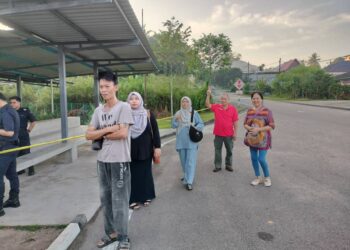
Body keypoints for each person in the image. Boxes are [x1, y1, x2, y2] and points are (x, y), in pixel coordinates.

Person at [86, 71, 134, 250]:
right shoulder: (98, 110)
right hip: (102, 161)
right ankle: (111, 234)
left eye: (107, 86)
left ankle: (123, 237)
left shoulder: (124, 107)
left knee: (120, 200)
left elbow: (122, 133)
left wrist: (101, 132)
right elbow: (88, 134)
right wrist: (109, 130)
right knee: (105, 199)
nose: (103, 90)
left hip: (119, 161)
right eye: (101, 87)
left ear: (116, 87)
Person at [127, 92, 161, 210]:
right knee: (132, 175)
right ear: (128, 101)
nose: (134, 101)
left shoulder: (148, 114)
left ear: (140, 100)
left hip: (146, 150)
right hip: (129, 151)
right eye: (131, 99)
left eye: (137, 98)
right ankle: (132, 199)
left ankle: (146, 196)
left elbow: (155, 131)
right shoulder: (125, 114)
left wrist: (157, 147)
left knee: (146, 174)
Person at [172, 96, 204, 191]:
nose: (184, 103)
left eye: (186, 101)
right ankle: (186, 175)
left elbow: (201, 124)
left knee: (190, 162)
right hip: (181, 141)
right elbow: (173, 125)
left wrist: (194, 127)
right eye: (183, 102)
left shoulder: (194, 113)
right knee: (183, 161)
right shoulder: (178, 113)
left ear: (189, 103)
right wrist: (176, 120)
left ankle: (189, 181)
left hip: (191, 141)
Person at [243, 92, 275, 187]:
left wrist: (259, 129)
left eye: (257, 98)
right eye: (254, 98)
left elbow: (272, 126)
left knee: (261, 159)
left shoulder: (267, 111)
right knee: (253, 158)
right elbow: (245, 124)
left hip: (263, 140)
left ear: (261, 99)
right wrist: (250, 129)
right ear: (252, 99)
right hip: (252, 138)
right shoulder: (249, 111)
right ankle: (258, 177)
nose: (255, 100)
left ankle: (267, 177)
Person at [206, 87, 239, 172]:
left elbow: (235, 123)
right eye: (222, 99)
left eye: (225, 99)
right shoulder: (217, 107)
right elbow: (207, 105)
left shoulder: (233, 109)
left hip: (229, 134)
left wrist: (235, 133)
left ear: (228, 100)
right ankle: (218, 166)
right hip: (218, 134)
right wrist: (208, 95)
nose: (223, 100)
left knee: (229, 150)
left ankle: (228, 165)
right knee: (217, 150)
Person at [0, 92, 20, 217]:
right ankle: (14, 199)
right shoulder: (10, 110)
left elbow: (9, 132)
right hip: (11, 148)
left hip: (5, 148)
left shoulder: (5, 112)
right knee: (12, 174)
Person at [9, 96, 36, 176]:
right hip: (13, 136)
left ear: (19, 102)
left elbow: (33, 121)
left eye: (14, 102)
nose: (12, 104)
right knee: (16, 153)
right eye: (11, 103)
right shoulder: (9, 112)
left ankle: (31, 169)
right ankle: (21, 169)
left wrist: (29, 130)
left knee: (26, 152)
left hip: (23, 135)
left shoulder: (25, 111)